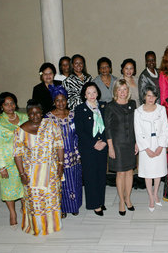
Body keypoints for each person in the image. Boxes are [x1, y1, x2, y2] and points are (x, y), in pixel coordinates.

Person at [14, 100, 64, 235]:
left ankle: (52, 225)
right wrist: (22, 173)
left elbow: (59, 145)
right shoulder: (21, 131)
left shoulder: (51, 125)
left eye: (38, 113)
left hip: (51, 169)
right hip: (31, 172)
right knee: (35, 200)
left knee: (52, 198)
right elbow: (17, 155)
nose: (35, 116)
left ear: (42, 113)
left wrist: (60, 164)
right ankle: (37, 227)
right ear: (28, 114)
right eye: (31, 113)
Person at [0, 92, 27, 229]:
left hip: (24, 160)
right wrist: (1, 167)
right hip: (7, 162)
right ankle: (12, 214)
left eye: (12, 103)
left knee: (24, 186)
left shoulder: (24, 117)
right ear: (1, 106)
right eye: (6, 104)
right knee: (9, 190)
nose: (10, 106)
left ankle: (25, 207)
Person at [47, 86, 82, 218]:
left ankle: (74, 206)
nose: (61, 103)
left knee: (74, 181)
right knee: (60, 183)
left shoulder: (73, 114)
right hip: (57, 157)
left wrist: (79, 153)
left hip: (73, 154)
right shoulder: (49, 117)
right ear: (54, 102)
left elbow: (78, 134)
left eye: (63, 100)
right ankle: (61, 208)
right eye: (57, 100)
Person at [74, 82, 108, 216]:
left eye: (94, 92)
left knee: (101, 175)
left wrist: (104, 141)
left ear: (98, 93)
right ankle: (94, 204)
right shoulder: (79, 109)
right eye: (89, 93)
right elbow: (80, 131)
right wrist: (94, 143)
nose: (92, 95)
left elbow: (110, 126)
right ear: (84, 95)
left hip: (103, 146)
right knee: (90, 176)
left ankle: (101, 201)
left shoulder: (104, 106)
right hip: (89, 147)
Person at [105, 79, 137, 215]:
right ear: (115, 91)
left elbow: (136, 125)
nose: (122, 92)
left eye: (125, 89)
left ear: (128, 91)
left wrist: (137, 142)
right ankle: (121, 201)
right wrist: (110, 147)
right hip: (117, 144)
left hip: (130, 142)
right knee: (121, 173)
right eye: (120, 89)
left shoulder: (132, 104)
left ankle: (128, 198)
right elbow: (108, 129)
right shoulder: (110, 106)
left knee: (130, 172)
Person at [134, 85, 168, 212]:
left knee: (158, 172)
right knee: (148, 173)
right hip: (145, 146)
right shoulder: (138, 112)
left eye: (153, 96)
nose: (151, 98)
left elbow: (165, 128)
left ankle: (156, 193)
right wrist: (146, 149)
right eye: (148, 95)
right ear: (144, 96)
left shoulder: (161, 109)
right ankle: (151, 197)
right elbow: (138, 132)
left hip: (159, 144)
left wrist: (161, 146)